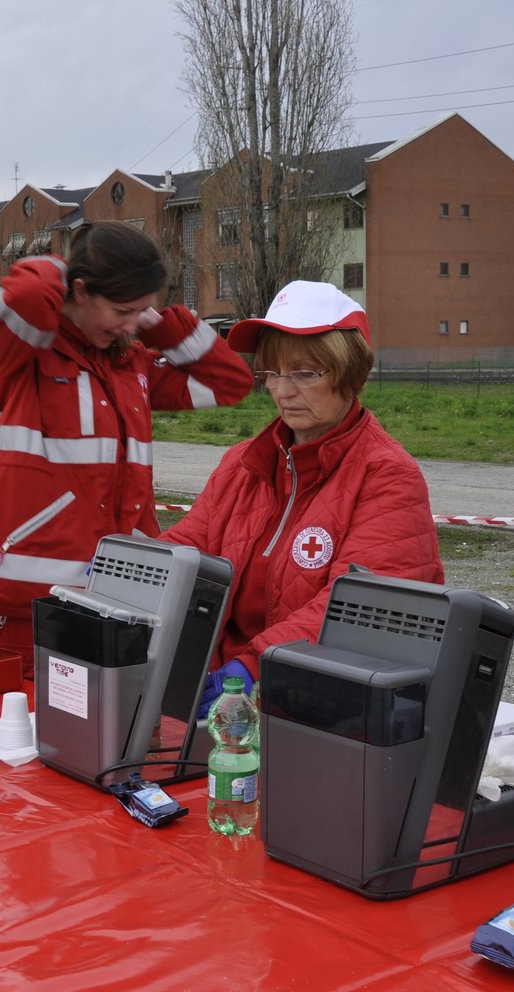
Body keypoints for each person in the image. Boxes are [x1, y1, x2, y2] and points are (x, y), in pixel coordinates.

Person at [0, 221, 254, 668]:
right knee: (32, 732)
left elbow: (231, 381)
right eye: (123, 310)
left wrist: (159, 326)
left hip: (124, 596)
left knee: (119, 731)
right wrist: (77, 265)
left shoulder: (130, 364)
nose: (131, 324)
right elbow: (23, 294)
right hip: (34, 604)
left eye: (141, 312)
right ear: (79, 291)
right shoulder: (19, 357)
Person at [161, 280, 442, 713]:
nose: (282, 391)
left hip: (327, 707)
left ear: (351, 373)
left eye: (305, 373)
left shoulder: (387, 476)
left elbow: (358, 612)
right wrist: (119, 571)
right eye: (271, 372)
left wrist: (254, 667)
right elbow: (189, 547)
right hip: (231, 696)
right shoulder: (244, 463)